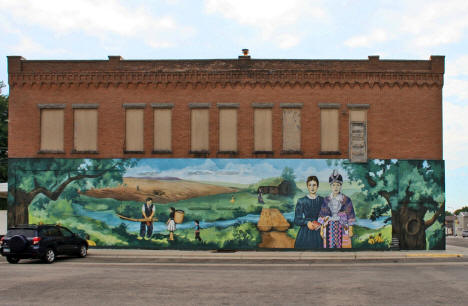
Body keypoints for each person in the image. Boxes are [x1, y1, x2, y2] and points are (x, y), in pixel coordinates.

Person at [318, 170, 356, 249]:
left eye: (338, 185)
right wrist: (321, 229)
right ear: (330, 186)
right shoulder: (326, 200)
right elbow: (322, 215)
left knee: (344, 249)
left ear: (341, 186)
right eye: (333, 185)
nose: (335, 187)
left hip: (343, 228)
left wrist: (350, 229)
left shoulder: (346, 199)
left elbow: (350, 215)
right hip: (329, 228)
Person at [294, 176, 323, 249]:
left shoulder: (322, 200)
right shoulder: (301, 201)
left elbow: (326, 217)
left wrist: (321, 224)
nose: (312, 187)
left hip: (319, 231)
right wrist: (307, 222)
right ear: (307, 186)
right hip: (305, 232)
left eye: (314, 185)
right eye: (310, 185)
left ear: (318, 186)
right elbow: (297, 220)